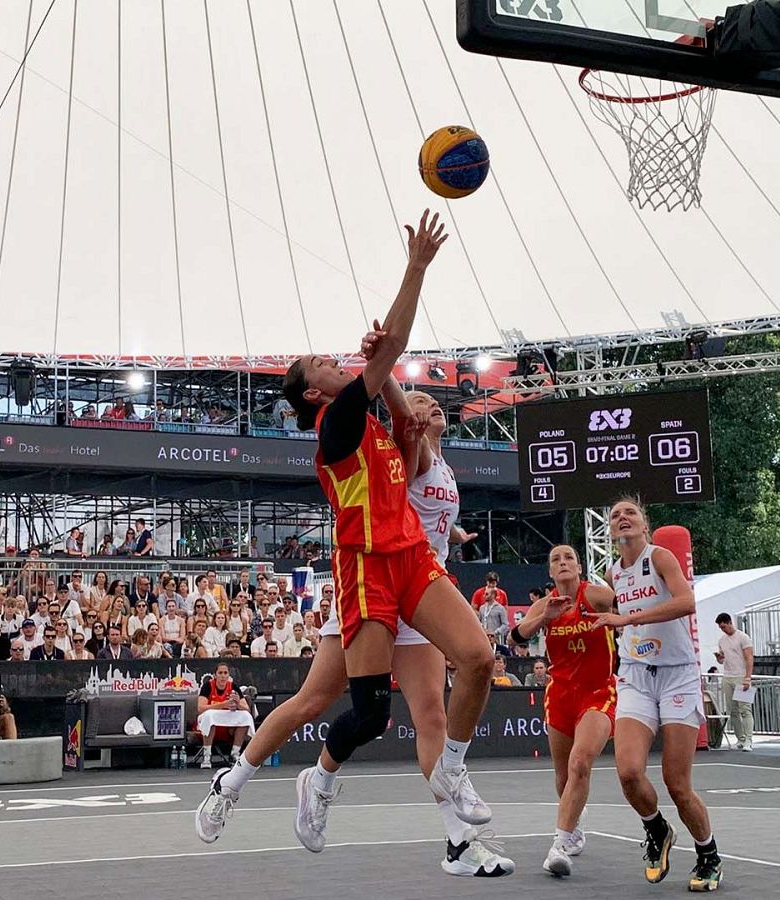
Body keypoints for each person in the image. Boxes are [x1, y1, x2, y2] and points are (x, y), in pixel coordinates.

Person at [197, 223, 509, 877]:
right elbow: (389, 349)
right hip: (364, 567)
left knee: (479, 658)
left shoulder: (372, 422)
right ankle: (292, 783)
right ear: (315, 393)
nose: (335, 365)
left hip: (413, 561)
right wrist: (416, 266)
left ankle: (451, 779)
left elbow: (401, 408)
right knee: (367, 713)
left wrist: (386, 372)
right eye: (324, 366)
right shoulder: (336, 425)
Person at [585, 498, 722, 891]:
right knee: (628, 772)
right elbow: (600, 611)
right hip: (635, 676)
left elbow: (686, 601)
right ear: (610, 531)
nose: (622, 518)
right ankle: (657, 829)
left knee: (676, 783)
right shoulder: (614, 573)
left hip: (677, 675)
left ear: (644, 524)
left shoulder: (659, 557)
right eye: (614, 515)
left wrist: (627, 619)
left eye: (630, 513)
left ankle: (708, 853)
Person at [507, 544, 617, 877]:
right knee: (563, 775)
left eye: (569, 558)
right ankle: (575, 822)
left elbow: (628, 605)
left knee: (580, 762)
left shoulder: (596, 596)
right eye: (556, 559)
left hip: (598, 691)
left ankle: (559, 843)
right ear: (551, 573)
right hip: (560, 693)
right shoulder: (545, 605)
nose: (563, 563)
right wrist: (545, 617)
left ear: (580, 567)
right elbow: (515, 638)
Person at [196, 664, 254, 769]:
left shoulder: (234, 687)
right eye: (220, 673)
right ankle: (207, 756)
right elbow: (200, 708)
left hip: (228, 727)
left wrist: (237, 704)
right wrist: (223, 704)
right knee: (209, 717)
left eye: (225, 673)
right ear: (215, 675)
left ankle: (235, 754)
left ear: (228, 676)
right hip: (209, 726)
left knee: (245, 717)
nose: (223, 676)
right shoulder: (207, 686)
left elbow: (247, 710)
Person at [712, 613, 755, 751]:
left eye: (724, 626)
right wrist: (719, 658)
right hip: (728, 676)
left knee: (745, 709)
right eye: (720, 627)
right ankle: (740, 738)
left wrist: (747, 678)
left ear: (730, 622)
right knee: (733, 710)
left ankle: (749, 739)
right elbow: (723, 658)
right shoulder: (722, 640)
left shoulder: (743, 637)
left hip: (741, 676)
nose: (723, 629)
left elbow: (749, 658)